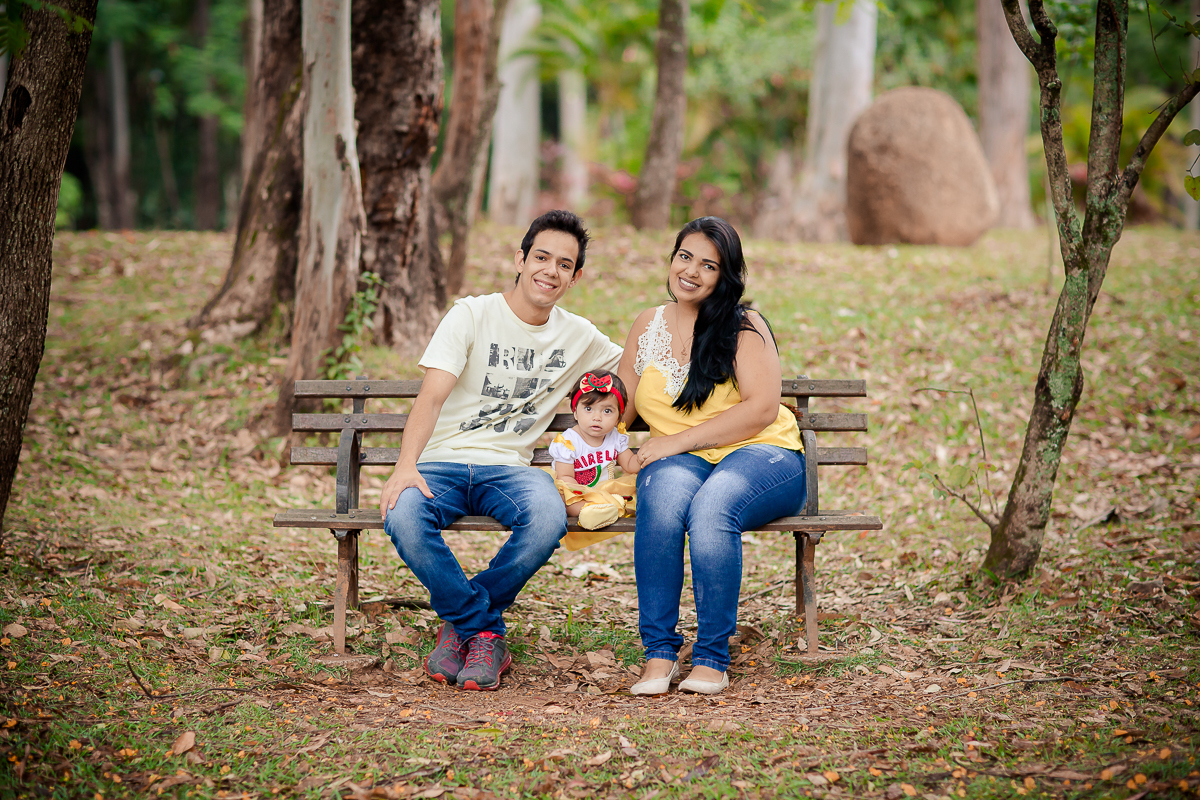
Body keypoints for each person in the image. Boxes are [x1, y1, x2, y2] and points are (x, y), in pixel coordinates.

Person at [379, 210, 622, 691]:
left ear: (576, 276)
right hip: (441, 462)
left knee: (549, 518)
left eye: (564, 265)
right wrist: (405, 466)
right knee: (403, 515)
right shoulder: (471, 314)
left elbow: (638, 369)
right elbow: (431, 396)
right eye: (541, 257)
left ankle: (461, 625)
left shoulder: (580, 336)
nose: (550, 271)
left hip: (509, 469)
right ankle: (482, 630)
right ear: (520, 258)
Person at [615, 216, 806, 696]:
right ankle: (658, 654)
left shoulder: (744, 326)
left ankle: (712, 658)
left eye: (708, 265)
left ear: (726, 275)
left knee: (712, 509)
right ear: (671, 258)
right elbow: (619, 403)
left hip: (764, 455)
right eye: (685, 257)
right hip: (687, 461)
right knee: (658, 501)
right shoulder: (648, 325)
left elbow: (762, 409)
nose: (692, 272)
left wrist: (673, 442)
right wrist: (614, 444)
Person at [548, 370, 640, 541]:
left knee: (633, 490)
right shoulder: (567, 442)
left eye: (607, 411)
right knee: (564, 496)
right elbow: (565, 477)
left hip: (604, 490)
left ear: (618, 416)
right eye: (588, 409)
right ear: (575, 412)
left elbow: (629, 465)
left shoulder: (615, 438)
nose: (597, 417)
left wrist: (643, 458)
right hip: (575, 489)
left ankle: (611, 508)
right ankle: (589, 513)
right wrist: (587, 495)